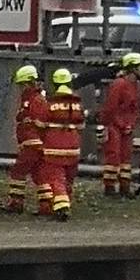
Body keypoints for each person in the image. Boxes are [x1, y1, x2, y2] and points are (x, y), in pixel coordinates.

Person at [36, 68, 86, 221]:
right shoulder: (77, 103)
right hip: (73, 148)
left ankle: (62, 206)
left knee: (56, 178)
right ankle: (65, 202)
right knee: (69, 178)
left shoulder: (50, 102)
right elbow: (82, 125)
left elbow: (41, 124)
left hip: (54, 148)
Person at [99, 54, 140, 197]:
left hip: (126, 126)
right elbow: (111, 107)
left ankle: (125, 186)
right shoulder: (119, 84)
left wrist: (130, 125)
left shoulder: (135, 85)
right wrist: (119, 124)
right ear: (132, 67)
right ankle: (109, 187)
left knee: (126, 157)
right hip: (114, 125)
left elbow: (135, 107)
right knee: (113, 155)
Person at [3, 64, 44, 215]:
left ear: (28, 83)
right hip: (30, 144)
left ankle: (16, 203)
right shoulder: (31, 99)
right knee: (39, 175)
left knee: (17, 172)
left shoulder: (35, 100)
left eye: (22, 85)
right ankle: (46, 205)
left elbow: (39, 122)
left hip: (32, 144)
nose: (21, 88)